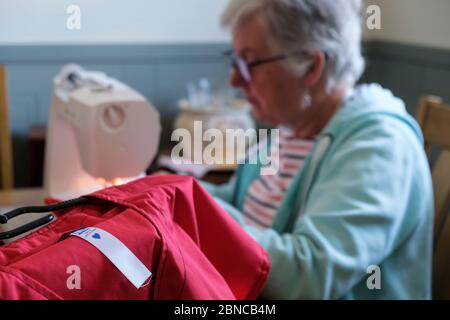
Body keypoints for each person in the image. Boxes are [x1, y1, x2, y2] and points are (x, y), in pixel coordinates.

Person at [200, 0, 434, 299]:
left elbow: (308, 277)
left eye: (249, 63)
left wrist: (198, 211)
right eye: (235, 61)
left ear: (312, 66)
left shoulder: (380, 146)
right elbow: (235, 200)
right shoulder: (291, 128)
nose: (235, 79)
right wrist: (165, 191)